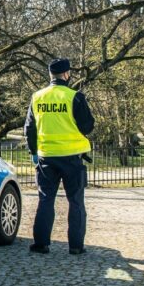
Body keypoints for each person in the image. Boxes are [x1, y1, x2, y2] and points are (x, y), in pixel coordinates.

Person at [24, 58, 94, 255]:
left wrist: (34, 152)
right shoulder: (75, 97)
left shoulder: (37, 97)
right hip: (72, 157)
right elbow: (87, 126)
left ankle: (41, 244)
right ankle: (76, 246)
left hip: (46, 156)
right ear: (66, 74)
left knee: (46, 199)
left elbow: (29, 128)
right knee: (76, 201)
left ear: (50, 75)